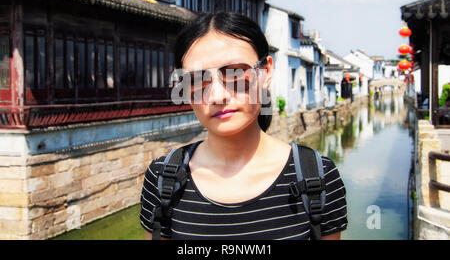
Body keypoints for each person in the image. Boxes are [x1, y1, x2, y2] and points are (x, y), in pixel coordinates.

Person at [139, 12, 348, 240]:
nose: (217, 95)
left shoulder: (316, 177)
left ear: (266, 72)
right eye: (197, 80)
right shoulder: (163, 179)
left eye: (235, 74)